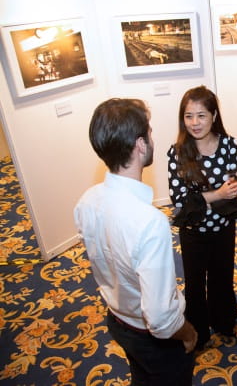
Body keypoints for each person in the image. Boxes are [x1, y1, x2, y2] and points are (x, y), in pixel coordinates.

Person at [74, 98, 197, 385]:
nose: (153, 137)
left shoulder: (86, 202)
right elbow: (161, 319)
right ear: (141, 145)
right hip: (152, 339)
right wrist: (188, 332)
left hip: (118, 320)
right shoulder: (149, 222)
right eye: (150, 132)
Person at [167, 86, 237, 351]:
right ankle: (198, 331)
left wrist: (221, 192)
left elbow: (234, 187)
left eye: (201, 115)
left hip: (223, 227)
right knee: (195, 285)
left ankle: (223, 321)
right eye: (189, 116)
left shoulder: (229, 145)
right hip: (194, 232)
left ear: (213, 115)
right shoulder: (177, 153)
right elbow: (180, 202)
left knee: (222, 277)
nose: (195, 123)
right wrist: (216, 193)